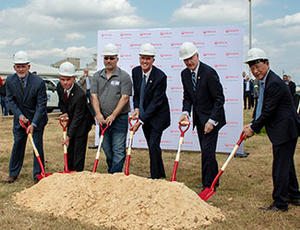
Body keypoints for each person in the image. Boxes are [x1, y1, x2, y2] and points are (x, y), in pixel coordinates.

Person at [243, 48, 300, 211]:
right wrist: (253, 122)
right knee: (287, 164)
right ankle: (294, 196)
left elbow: (268, 111)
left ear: (267, 64)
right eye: (252, 68)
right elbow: (261, 107)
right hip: (284, 128)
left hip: (286, 129)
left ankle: (280, 203)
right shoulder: (265, 81)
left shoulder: (273, 82)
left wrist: (253, 128)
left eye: (258, 66)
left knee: (280, 168)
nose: (255, 71)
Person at [178, 42, 226, 190]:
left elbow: (219, 99)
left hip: (213, 118)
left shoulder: (209, 73)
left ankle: (208, 185)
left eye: (191, 58)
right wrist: (185, 113)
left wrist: (211, 121)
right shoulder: (184, 74)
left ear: (197, 56)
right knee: (207, 151)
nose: (189, 62)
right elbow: (187, 97)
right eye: (186, 60)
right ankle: (213, 181)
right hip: (199, 119)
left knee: (207, 151)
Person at [6, 51, 48, 183]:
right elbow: (10, 100)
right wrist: (19, 115)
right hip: (20, 120)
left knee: (37, 145)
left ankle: (38, 174)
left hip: (37, 119)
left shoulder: (38, 82)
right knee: (18, 144)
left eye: (23, 66)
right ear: (14, 68)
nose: (21, 69)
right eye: (18, 66)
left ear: (28, 67)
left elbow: (42, 105)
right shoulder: (10, 81)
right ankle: (13, 173)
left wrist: (33, 124)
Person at [91, 43, 132, 174]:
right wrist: (98, 114)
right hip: (103, 119)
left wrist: (113, 115)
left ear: (117, 59)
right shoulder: (97, 76)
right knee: (107, 148)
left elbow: (125, 97)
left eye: (112, 58)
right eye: (106, 58)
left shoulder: (124, 76)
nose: (108, 61)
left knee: (118, 148)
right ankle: (112, 171)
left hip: (119, 119)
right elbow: (93, 96)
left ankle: (115, 175)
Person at [131, 43, 170, 179]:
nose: (145, 61)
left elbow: (156, 103)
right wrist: (136, 109)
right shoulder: (135, 72)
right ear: (139, 58)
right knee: (152, 146)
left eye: (148, 58)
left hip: (158, 117)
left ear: (153, 60)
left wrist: (140, 121)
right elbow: (136, 94)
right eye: (143, 58)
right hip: (145, 115)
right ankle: (160, 174)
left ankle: (155, 178)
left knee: (153, 144)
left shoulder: (160, 77)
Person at [57, 62, 94, 171]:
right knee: (69, 148)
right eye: (63, 79)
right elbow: (62, 103)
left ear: (74, 79)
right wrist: (64, 112)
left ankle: (77, 173)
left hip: (83, 122)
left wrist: (68, 136)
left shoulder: (80, 94)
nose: (65, 82)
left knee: (78, 148)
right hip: (72, 119)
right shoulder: (59, 87)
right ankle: (67, 170)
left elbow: (78, 117)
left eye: (68, 79)